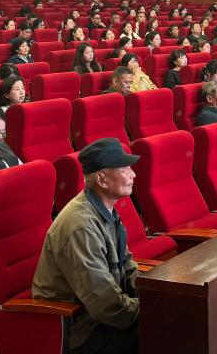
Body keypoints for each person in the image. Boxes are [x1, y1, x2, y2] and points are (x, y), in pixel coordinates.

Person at [32, 137, 140, 354]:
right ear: (101, 179)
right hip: (76, 328)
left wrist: (155, 298)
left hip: (99, 316)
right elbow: (104, 304)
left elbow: (127, 266)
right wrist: (151, 311)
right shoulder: (81, 226)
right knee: (164, 331)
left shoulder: (105, 210)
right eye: (124, 168)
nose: (133, 174)